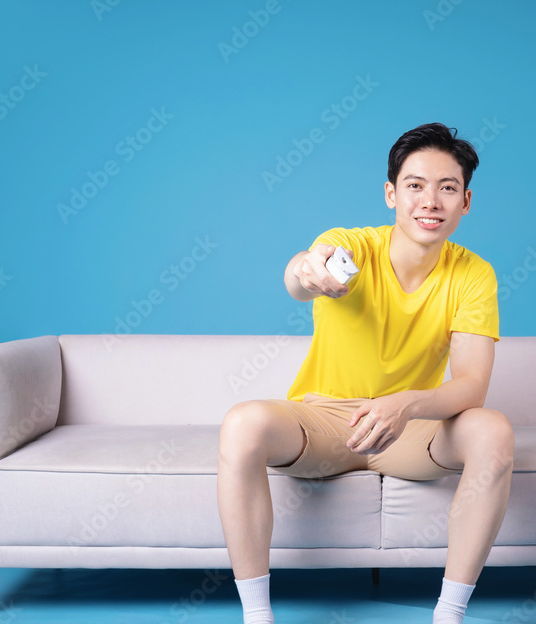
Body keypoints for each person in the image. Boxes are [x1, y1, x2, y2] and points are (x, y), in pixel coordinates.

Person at [218, 122, 514, 624]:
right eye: (415, 185)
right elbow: (304, 272)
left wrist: (406, 404)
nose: (431, 201)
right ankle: (257, 615)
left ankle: (449, 613)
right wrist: (310, 271)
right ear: (390, 193)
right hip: (324, 421)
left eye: (447, 188)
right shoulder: (351, 245)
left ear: (466, 202)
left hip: (410, 428)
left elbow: (470, 385)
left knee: (494, 430)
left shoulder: (474, 275)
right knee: (242, 422)